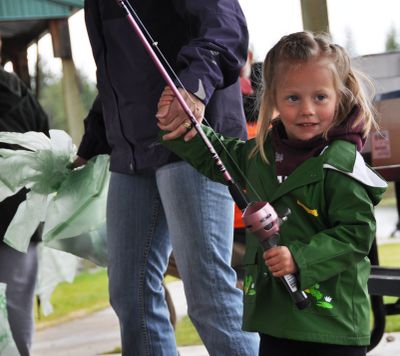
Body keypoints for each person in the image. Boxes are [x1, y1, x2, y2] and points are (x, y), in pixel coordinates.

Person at [158, 31, 388, 356]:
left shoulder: (341, 166)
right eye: (293, 98)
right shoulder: (259, 156)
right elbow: (216, 154)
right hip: (274, 322)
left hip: (332, 328)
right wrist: (180, 123)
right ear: (274, 100)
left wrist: (299, 258)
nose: (306, 109)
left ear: (340, 97)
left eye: (320, 97)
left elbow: (356, 235)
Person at [76, 1, 259, 355]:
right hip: (131, 153)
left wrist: (194, 86)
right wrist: (93, 141)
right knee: (130, 294)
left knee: (208, 294)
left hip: (192, 139)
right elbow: (118, 74)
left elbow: (225, 24)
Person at [0, 37, 50, 356]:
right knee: (17, 303)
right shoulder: (18, 91)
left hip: (17, 219)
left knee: (15, 304)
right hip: (21, 217)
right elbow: (45, 145)